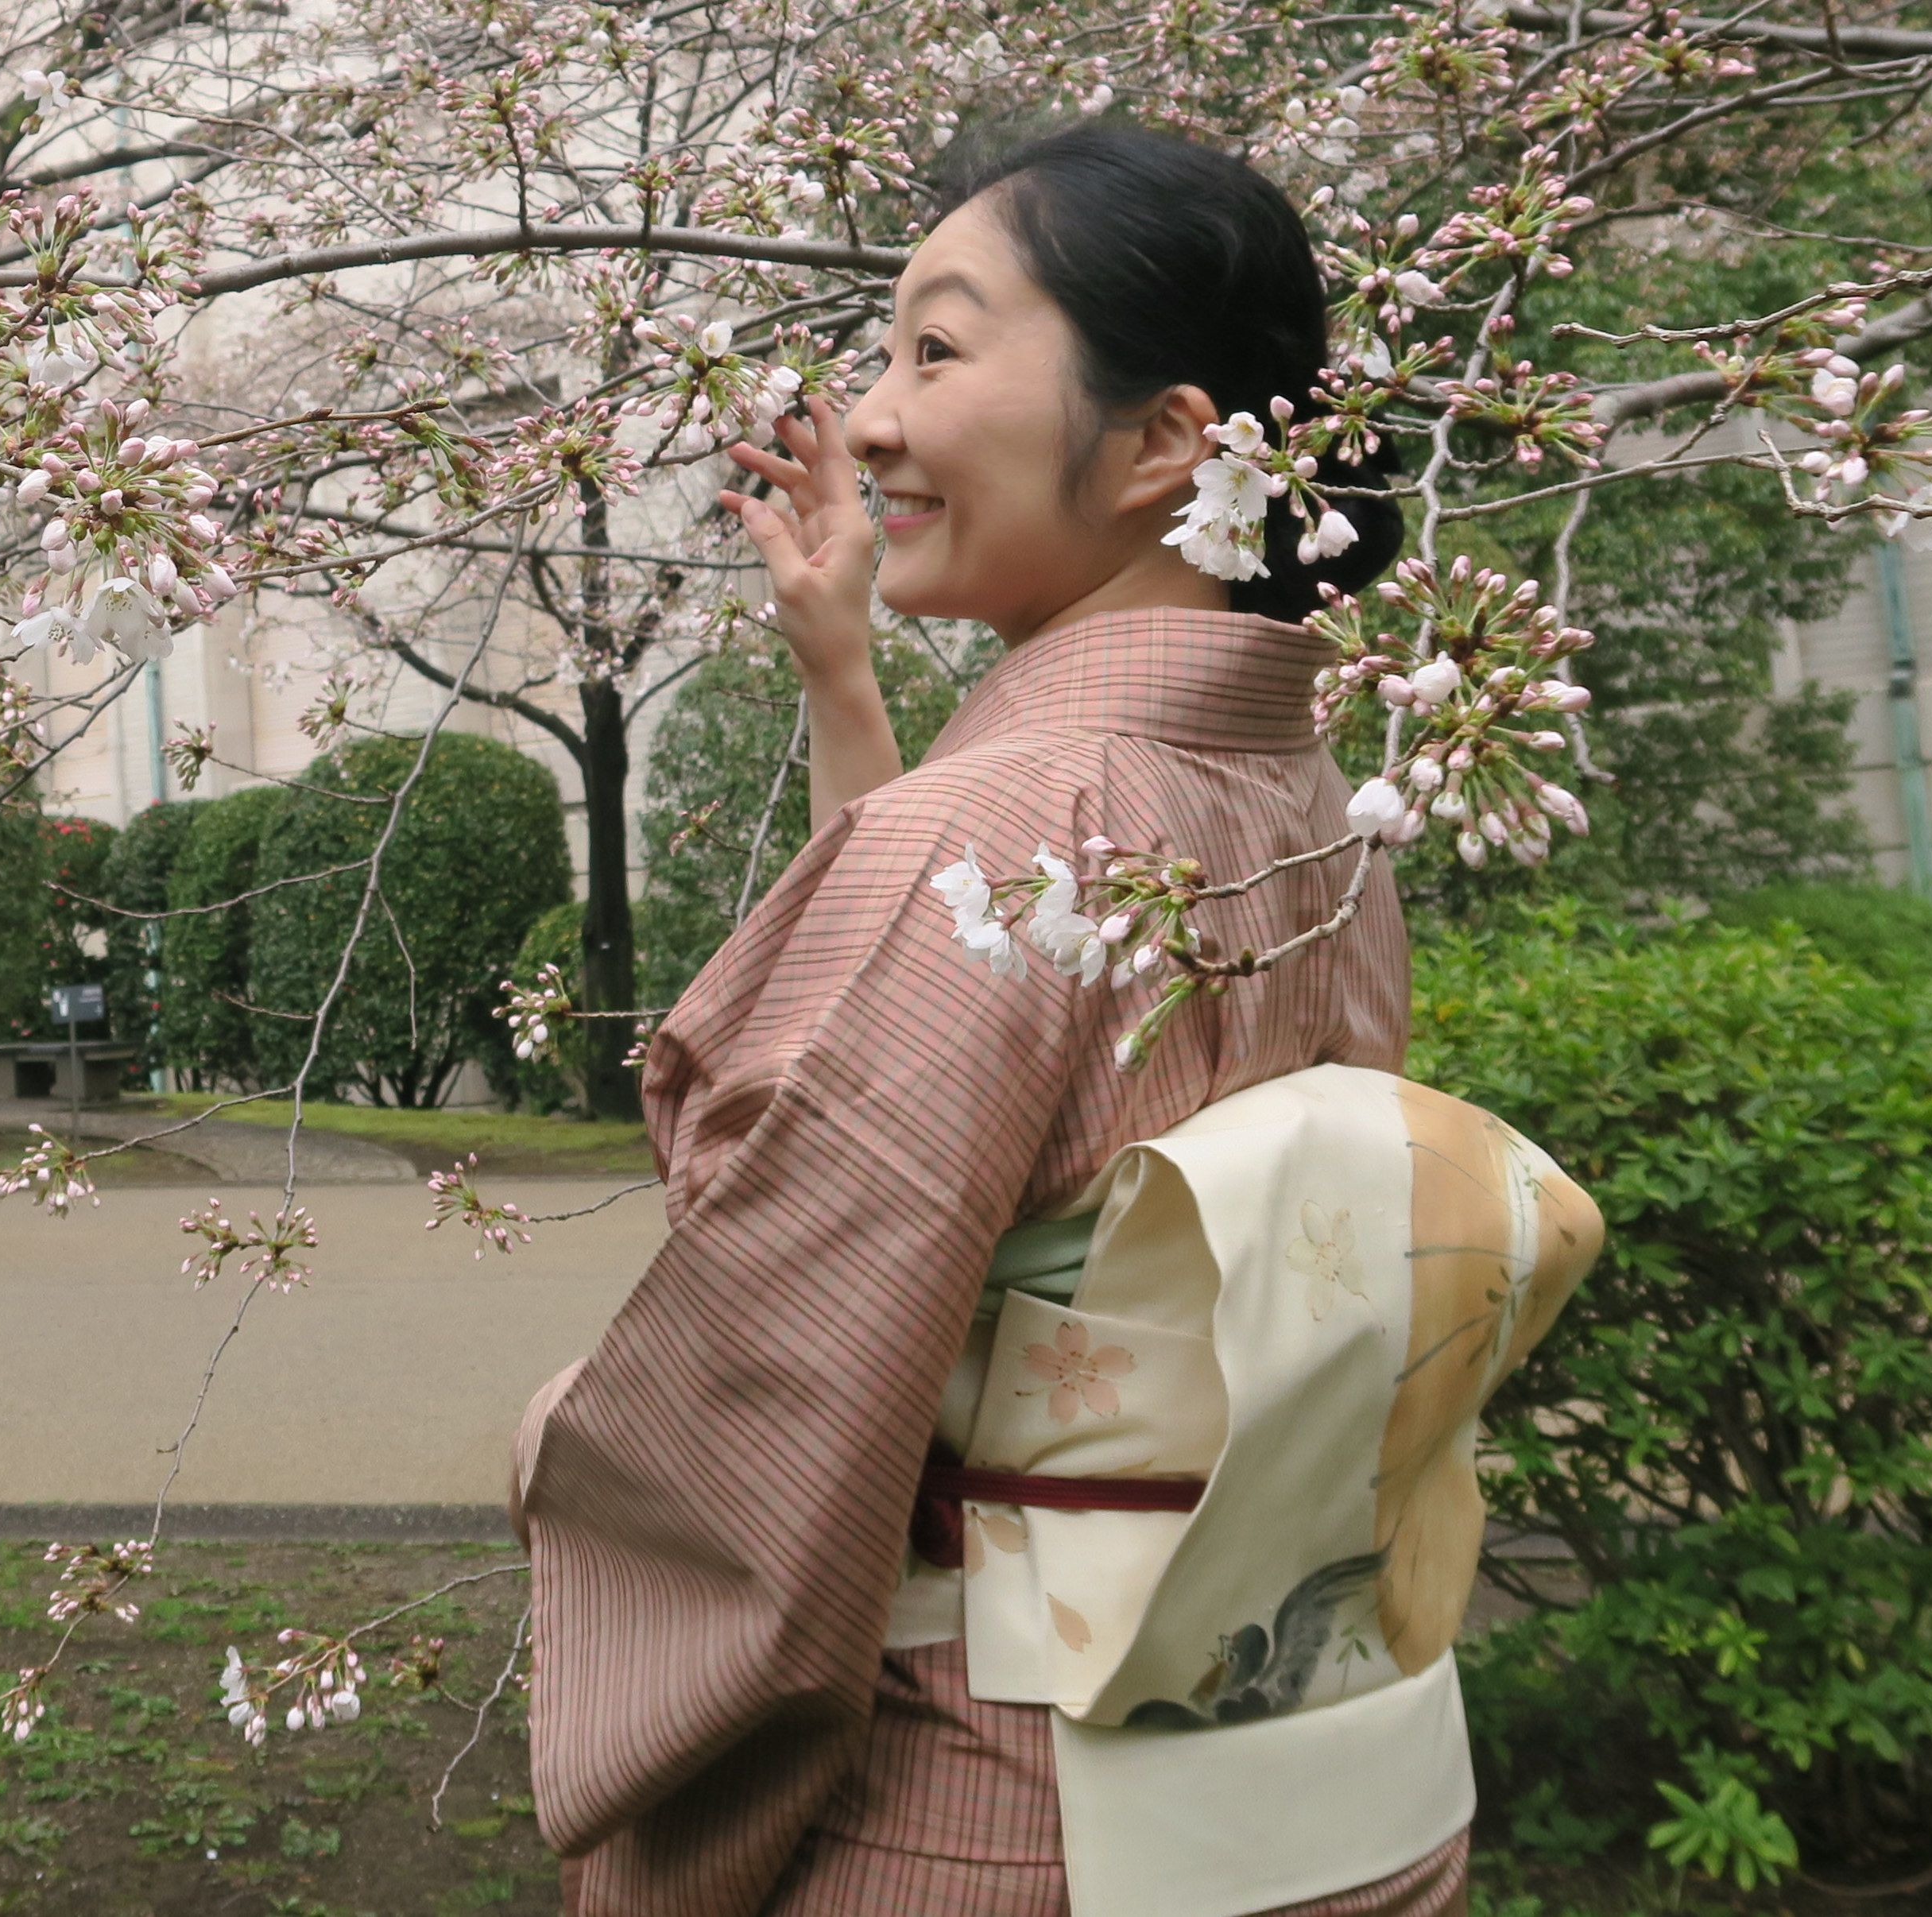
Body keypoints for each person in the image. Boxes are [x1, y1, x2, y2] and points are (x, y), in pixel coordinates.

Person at [509, 122, 1461, 1916]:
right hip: (1329, 1806)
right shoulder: (1311, 801)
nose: (871, 420)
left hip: (1006, 1823)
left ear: (1169, 442)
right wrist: (841, 673)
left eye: (935, 352)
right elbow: (975, 1046)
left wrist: (556, 1437)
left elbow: (775, 1409)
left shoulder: (1019, 821)